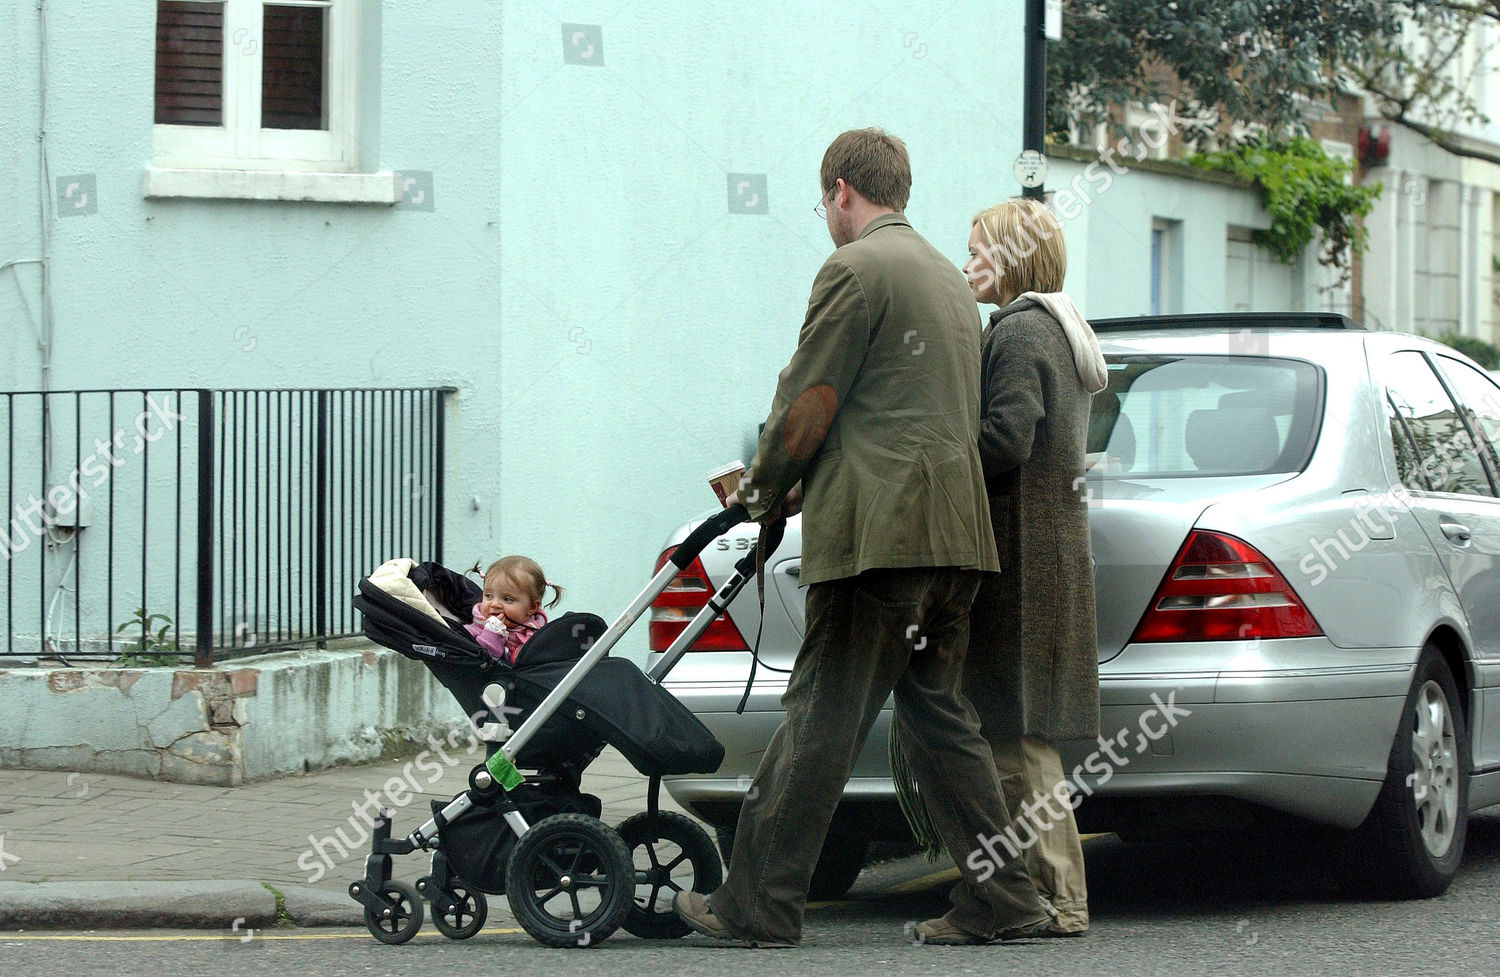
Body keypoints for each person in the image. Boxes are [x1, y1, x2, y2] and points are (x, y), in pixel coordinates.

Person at [673, 128, 1053, 948]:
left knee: (820, 718)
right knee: (941, 722)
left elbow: (810, 398)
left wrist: (762, 490)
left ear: (842, 189)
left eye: (824, 202)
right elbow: (901, 417)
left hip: (882, 544)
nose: (826, 217)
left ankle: (757, 903)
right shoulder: (951, 282)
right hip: (954, 540)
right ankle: (1007, 898)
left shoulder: (854, 268)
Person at [958, 197, 1106, 937]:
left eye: (979, 250)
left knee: (1017, 739)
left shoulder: (1017, 331)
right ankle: (1038, 894)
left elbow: (1006, 440)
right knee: (1019, 736)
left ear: (1012, 258)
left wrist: (938, 454)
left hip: (1017, 559)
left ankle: (1062, 898)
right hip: (1048, 556)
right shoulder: (1060, 325)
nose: (965, 263)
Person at [464, 555, 560, 663]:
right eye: (488, 596)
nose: (494, 604)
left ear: (532, 607)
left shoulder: (536, 634)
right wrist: (492, 633)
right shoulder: (475, 629)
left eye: (507, 599)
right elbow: (481, 660)